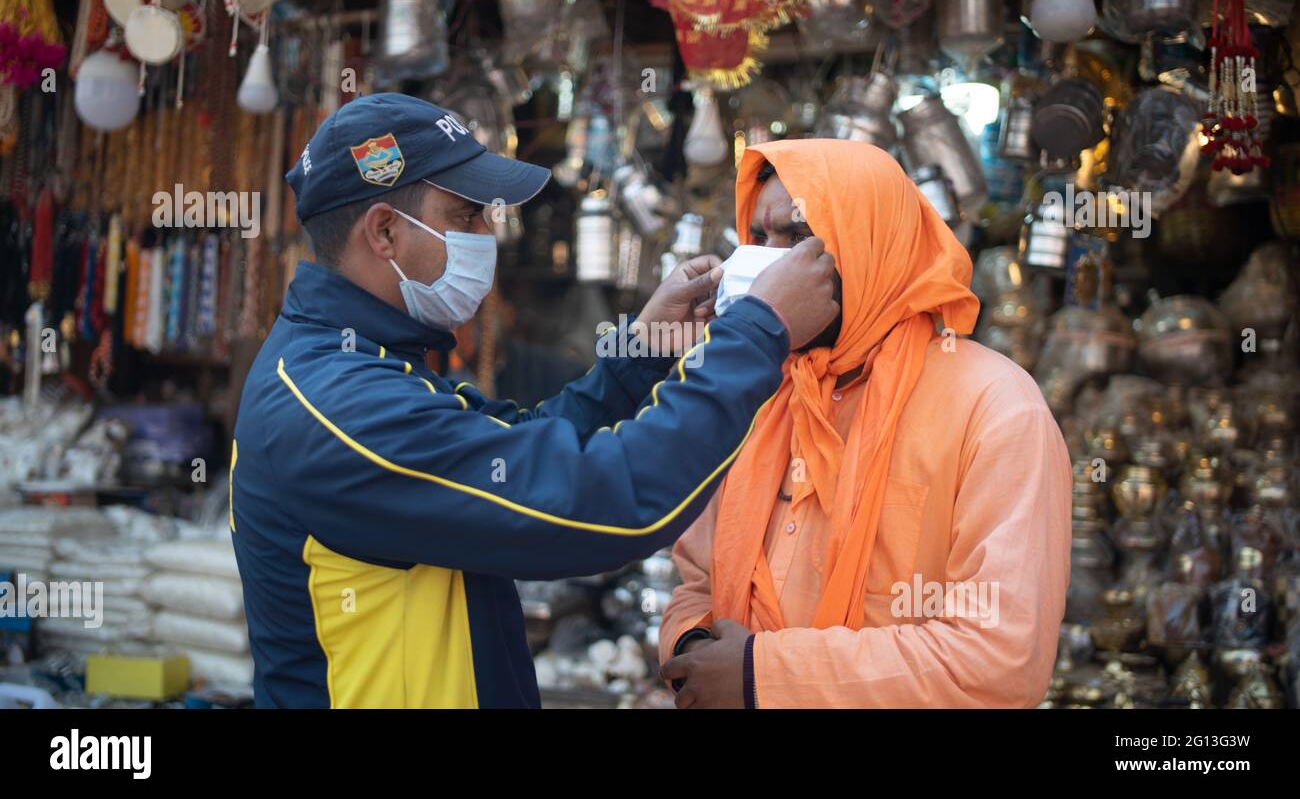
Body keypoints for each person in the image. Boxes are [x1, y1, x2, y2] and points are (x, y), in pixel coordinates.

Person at [228, 93, 839, 707]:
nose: (486, 235)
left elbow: (525, 449)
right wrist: (758, 332)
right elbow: (606, 500)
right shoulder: (338, 403)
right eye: (466, 216)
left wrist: (648, 351)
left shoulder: (367, 364)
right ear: (385, 231)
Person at [658, 140, 1073, 708]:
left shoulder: (995, 407)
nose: (764, 263)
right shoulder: (756, 393)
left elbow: (997, 660)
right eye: (757, 238)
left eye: (798, 236)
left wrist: (761, 678)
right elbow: (696, 584)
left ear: (869, 244)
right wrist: (698, 648)